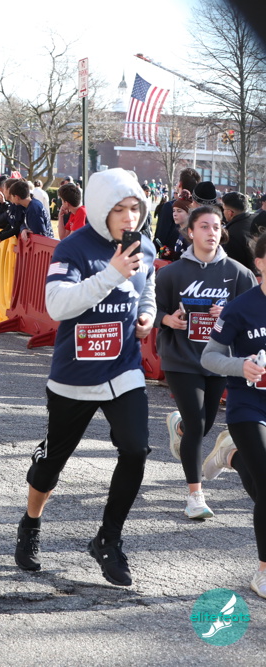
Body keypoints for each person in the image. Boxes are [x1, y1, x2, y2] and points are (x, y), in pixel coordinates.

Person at [14, 168, 156, 587]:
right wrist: (111, 273)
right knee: (51, 464)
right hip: (75, 375)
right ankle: (31, 523)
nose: (129, 217)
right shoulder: (72, 248)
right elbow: (58, 306)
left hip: (124, 369)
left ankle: (108, 539)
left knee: (136, 449)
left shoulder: (144, 245)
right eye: (119, 209)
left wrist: (146, 314)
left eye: (135, 208)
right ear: (99, 210)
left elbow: (147, 286)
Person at [157, 206, 257, 519]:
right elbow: (152, 309)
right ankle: (195, 496)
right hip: (181, 358)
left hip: (219, 361)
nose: (211, 232)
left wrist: (229, 315)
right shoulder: (171, 273)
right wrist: (168, 319)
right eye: (204, 226)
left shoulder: (239, 274)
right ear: (190, 232)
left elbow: (253, 316)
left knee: (204, 424)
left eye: (216, 227)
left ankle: (179, 427)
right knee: (199, 426)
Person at [200, 233, 266, 598]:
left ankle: (232, 456)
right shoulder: (241, 308)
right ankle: (263, 572)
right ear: (260, 263)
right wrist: (241, 366)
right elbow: (209, 357)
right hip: (247, 407)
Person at [221, 191, 256, 273]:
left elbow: (233, 267)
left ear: (230, 213)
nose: (223, 212)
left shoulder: (231, 235)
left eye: (223, 209)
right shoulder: (258, 220)